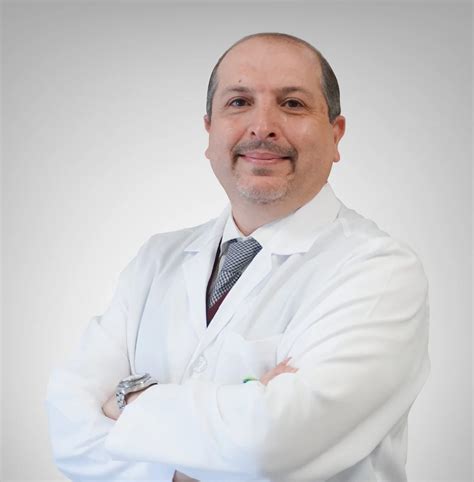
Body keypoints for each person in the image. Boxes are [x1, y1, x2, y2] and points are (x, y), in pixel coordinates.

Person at [46, 32, 430, 482]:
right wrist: (223, 435)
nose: (262, 126)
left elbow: (269, 446)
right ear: (209, 130)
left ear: (335, 134)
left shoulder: (380, 272)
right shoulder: (157, 260)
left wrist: (126, 402)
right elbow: (68, 429)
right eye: (239, 102)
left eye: (292, 104)